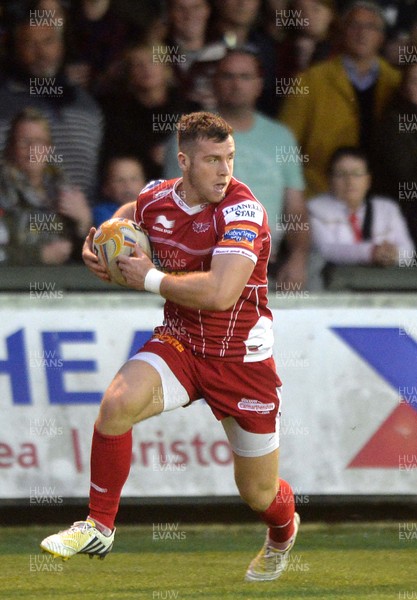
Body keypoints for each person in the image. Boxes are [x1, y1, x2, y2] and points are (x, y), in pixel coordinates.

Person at [40, 111, 300, 583]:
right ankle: (98, 524)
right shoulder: (158, 197)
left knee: (258, 493)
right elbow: (126, 215)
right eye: (212, 160)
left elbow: (221, 293)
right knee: (116, 405)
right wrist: (97, 242)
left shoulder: (243, 211)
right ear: (183, 161)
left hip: (241, 361)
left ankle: (283, 533)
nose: (225, 171)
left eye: (230, 158)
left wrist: (150, 278)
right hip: (180, 345)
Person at [164, 49, 309, 288]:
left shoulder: (281, 138)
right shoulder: (188, 136)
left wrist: (298, 257)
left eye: (245, 77)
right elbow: (174, 206)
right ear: (214, 83)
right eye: (228, 76)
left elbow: (296, 207)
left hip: (267, 268)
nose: (236, 84)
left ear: (259, 85)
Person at [279, 0, 401, 198]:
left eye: (371, 26)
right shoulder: (310, 80)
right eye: (355, 25)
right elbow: (285, 145)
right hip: (320, 195)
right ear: (342, 31)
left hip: (382, 198)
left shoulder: (397, 83)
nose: (362, 33)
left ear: (382, 37)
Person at [0, 15, 103, 197]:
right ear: (16, 50)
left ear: (61, 46)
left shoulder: (87, 103)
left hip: (81, 219)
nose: (41, 52)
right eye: (30, 44)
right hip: (18, 216)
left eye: (48, 42)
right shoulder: (4, 102)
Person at [0, 107, 91, 265]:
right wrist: (38, 256)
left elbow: (90, 257)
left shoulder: (64, 190)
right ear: (11, 147)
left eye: (39, 142)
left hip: (64, 282)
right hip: (12, 285)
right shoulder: (3, 191)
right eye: (24, 142)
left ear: (49, 148)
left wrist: (84, 223)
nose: (32, 149)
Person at [308, 146, 414, 277]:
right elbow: (326, 250)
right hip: (331, 289)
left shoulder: (387, 209)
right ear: (329, 179)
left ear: (368, 180)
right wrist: (371, 252)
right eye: (341, 174)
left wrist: (394, 254)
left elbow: (409, 252)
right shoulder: (314, 209)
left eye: (357, 174)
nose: (350, 181)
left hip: (383, 287)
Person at [373, 63, 417, 248]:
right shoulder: (394, 124)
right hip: (406, 216)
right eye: (415, 82)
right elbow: (405, 176)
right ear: (404, 88)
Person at [93, 156, 146, 226]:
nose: (128, 185)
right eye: (119, 180)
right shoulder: (102, 212)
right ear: (106, 188)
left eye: (134, 179)